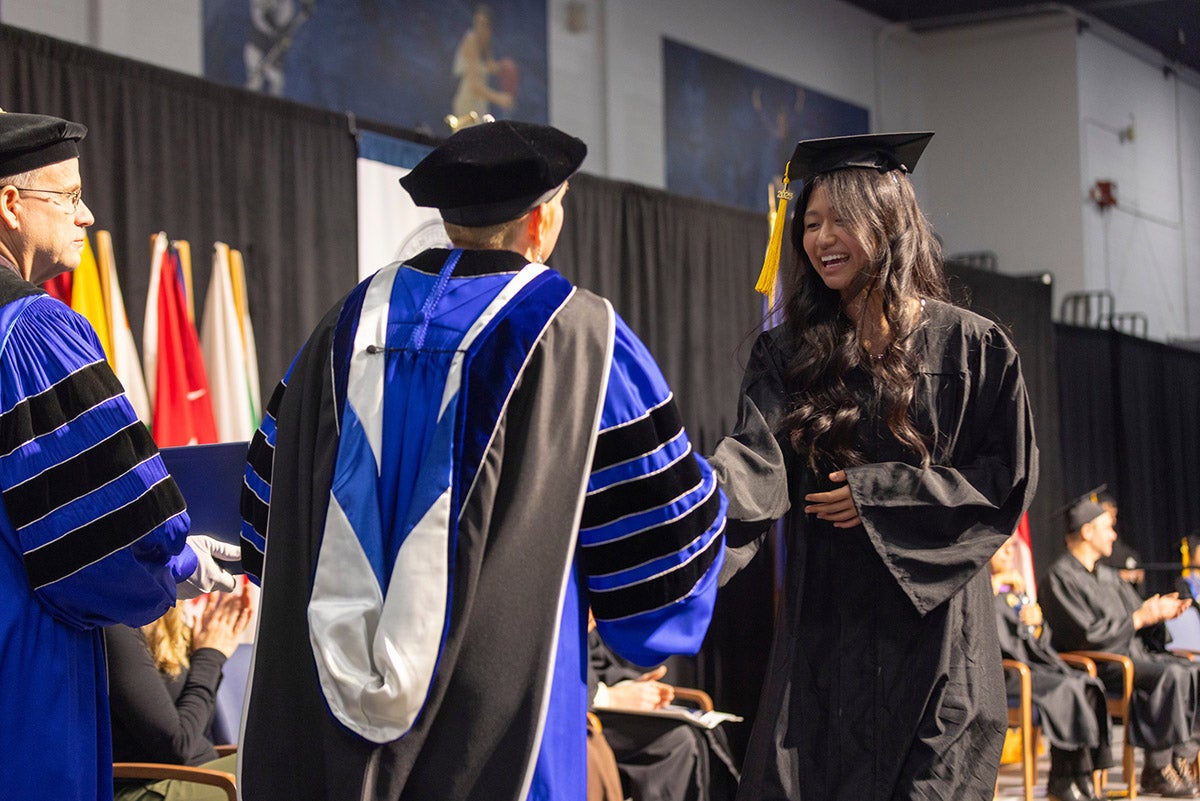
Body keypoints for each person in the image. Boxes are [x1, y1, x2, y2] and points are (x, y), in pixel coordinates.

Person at [237, 120, 727, 801]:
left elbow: (268, 530)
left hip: (327, 741)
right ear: (541, 219)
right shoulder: (583, 340)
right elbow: (657, 587)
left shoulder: (338, 330)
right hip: (503, 744)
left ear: (449, 217)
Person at [710, 131, 1039, 800]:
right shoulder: (789, 354)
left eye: (840, 219)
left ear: (888, 222)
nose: (821, 238)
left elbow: (1004, 478)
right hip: (826, 644)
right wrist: (679, 520)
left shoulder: (973, 348)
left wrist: (880, 494)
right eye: (810, 223)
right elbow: (754, 464)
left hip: (938, 642)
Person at [0, 110, 240, 801]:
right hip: (25, 683)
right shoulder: (34, 332)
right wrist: (179, 563)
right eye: (69, 195)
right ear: (10, 204)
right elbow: (109, 549)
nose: (85, 215)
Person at [1040, 488, 1200, 797]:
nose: (1114, 536)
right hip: (1102, 664)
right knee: (1170, 674)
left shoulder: (1109, 576)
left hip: (1132, 656)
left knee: (1192, 669)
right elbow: (1086, 636)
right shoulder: (1060, 577)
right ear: (1087, 532)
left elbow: (1139, 617)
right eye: (1108, 528)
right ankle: (1157, 768)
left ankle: (1181, 756)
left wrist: (1158, 614)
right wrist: (1139, 618)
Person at [989, 534, 1113, 801]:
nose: (1009, 553)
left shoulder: (1015, 592)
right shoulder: (980, 591)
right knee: (1065, 689)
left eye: (1012, 547)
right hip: (1005, 675)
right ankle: (1062, 780)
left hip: (1031, 669)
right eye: (1002, 548)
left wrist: (1037, 625)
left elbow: (1037, 645)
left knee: (1087, 684)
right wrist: (991, 588)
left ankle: (1081, 775)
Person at [106, 589, 253, 801]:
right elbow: (178, 745)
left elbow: (195, 732)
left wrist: (205, 648)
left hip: (197, 774)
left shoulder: (168, 622)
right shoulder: (115, 622)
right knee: (282, 762)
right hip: (143, 789)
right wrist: (210, 657)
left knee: (287, 754)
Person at [589, 627, 739, 801]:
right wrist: (608, 696)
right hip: (576, 717)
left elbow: (597, 663)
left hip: (597, 706)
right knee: (676, 741)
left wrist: (630, 686)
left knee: (704, 734)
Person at [450, 5, 515, 124]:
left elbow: (490, 67)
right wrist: (500, 98)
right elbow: (474, 86)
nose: (479, 29)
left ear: (489, 28)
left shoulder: (485, 44)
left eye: (484, 24)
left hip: (480, 103)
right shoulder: (471, 40)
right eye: (477, 23)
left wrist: (504, 66)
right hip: (468, 103)